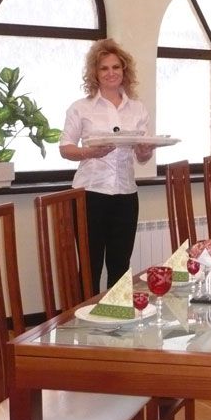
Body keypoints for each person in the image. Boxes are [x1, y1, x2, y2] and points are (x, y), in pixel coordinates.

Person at [60, 38, 155, 293]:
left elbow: (142, 156)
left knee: (120, 265)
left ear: (124, 70)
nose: (111, 73)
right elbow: (65, 148)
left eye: (116, 67)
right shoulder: (81, 108)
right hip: (90, 194)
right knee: (89, 267)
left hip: (126, 195)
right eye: (104, 68)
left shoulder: (137, 108)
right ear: (95, 73)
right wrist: (90, 152)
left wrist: (145, 150)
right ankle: (84, 316)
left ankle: (116, 315)